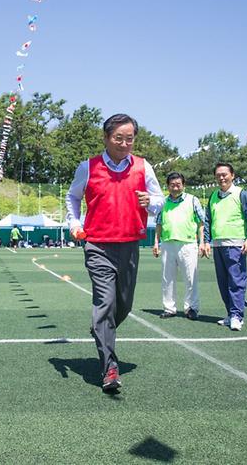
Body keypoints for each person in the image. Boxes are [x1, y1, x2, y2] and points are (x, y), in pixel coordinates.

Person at [66, 113, 164, 391]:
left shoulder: (144, 168)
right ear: (106, 138)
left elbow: (159, 199)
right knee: (105, 303)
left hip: (130, 244)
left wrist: (152, 202)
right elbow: (72, 197)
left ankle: (101, 327)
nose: (124, 144)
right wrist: (74, 223)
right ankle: (109, 367)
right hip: (98, 245)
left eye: (129, 139)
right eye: (118, 138)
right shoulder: (88, 167)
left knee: (124, 305)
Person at [201, 162, 247, 332]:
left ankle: (237, 316)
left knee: (236, 281)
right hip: (218, 245)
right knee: (223, 282)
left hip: (236, 244)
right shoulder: (213, 196)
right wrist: (206, 241)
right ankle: (230, 314)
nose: (221, 177)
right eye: (218, 175)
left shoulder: (242, 194)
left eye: (225, 174)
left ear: (232, 175)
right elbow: (208, 221)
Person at [153, 172, 206, 320]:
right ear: (168, 186)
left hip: (188, 244)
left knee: (190, 278)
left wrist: (202, 242)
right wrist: (156, 242)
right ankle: (169, 308)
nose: (175, 187)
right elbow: (158, 224)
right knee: (167, 278)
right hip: (168, 243)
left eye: (178, 184)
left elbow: (201, 222)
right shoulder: (162, 203)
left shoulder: (193, 200)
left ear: (183, 185)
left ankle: (191, 308)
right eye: (172, 185)